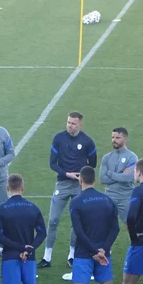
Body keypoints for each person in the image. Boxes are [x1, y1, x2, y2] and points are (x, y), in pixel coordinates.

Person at [40, 111, 97, 268]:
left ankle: (72, 255)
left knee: (76, 221)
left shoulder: (87, 142)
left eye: (73, 123)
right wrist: (67, 174)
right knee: (53, 220)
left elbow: (92, 164)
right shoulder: (59, 138)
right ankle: (47, 256)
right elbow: (52, 163)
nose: (69, 126)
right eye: (68, 122)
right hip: (63, 183)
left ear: (80, 125)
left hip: (79, 185)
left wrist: (80, 175)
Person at [70, 166, 120, 284]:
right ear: (94, 180)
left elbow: (79, 231)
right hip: (104, 254)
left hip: (84, 254)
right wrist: (103, 250)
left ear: (80, 180)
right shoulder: (108, 200)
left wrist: (93, 251)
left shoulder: (76, 202)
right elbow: (115, 229)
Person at [0, 174, 46, 284]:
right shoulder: (33, 207)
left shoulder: (1, 210)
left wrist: (19, 247)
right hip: (29, 258)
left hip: (10, 257)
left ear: (7, 188)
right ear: (22, 188)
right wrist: (29, 249)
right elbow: (42, 233)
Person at [99, 127, 138, 223]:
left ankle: (134, 239)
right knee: (104, 225)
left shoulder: (132, 157)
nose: (114, 140)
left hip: (125, 197)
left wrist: (109, 173)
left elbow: (128, 178)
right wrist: (120, 174)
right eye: (112, 137)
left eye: (117, 138)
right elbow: (102, 179)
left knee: (130, 225)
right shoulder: (106, 157)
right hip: (109, 196)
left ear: (125, 139)